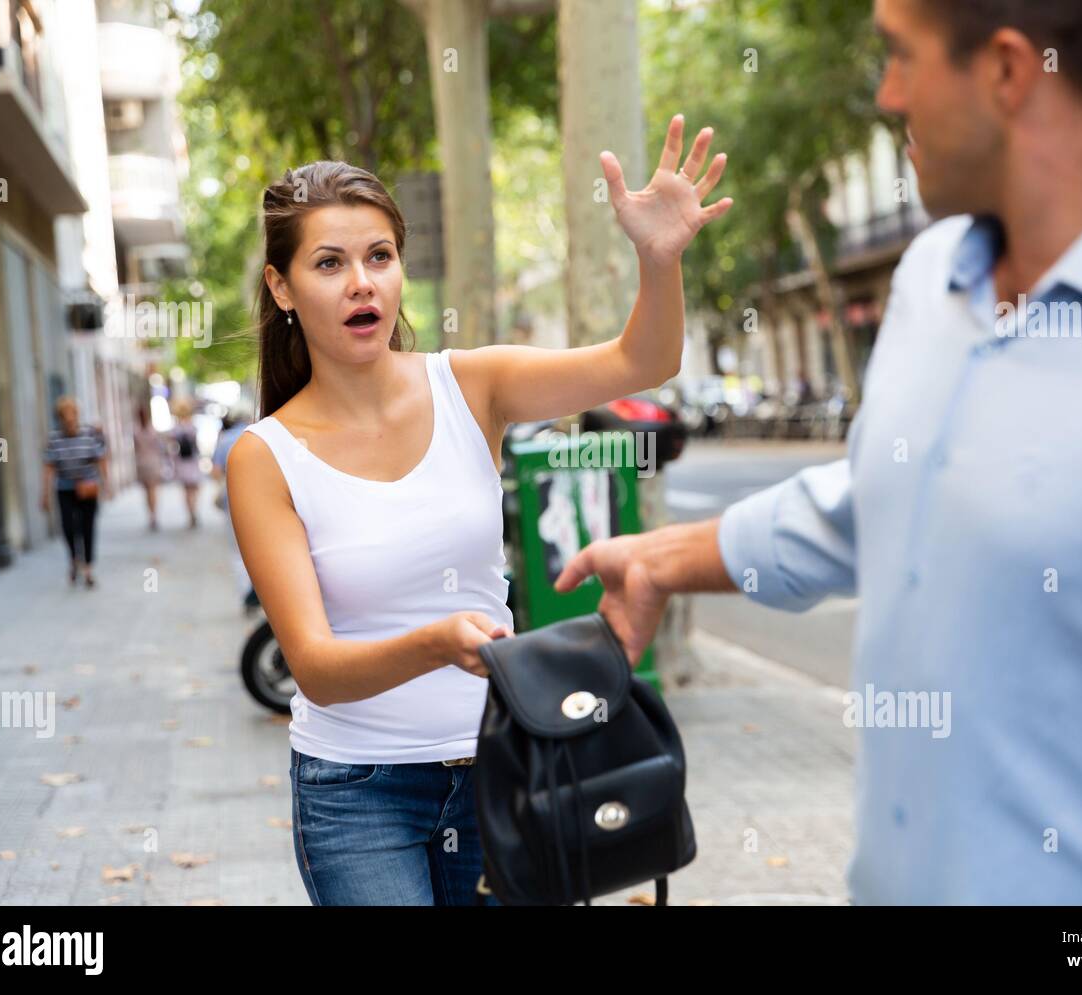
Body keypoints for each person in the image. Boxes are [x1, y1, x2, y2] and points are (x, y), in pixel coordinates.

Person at [556, 0, 1082, 904]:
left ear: (1008, 71)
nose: (886, 94)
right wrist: (663, 557)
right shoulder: (930, 278)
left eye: (898, 55)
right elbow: (888, 498)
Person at [227, 119, 731, 906]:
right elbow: (317, 669)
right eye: (329, 263)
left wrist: (657, 260)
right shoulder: (265, 456)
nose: (362, 282)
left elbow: (645, 361)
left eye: (379, 257)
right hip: (358, 794)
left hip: (504, 766)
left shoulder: (472, 384)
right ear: (282, 287)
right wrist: (436, 641)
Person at [41, 396, 109, 589]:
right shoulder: (54, 438)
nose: (69, 419)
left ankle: (87, 569)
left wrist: (106, 483)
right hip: (65, 489)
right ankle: (73, 559)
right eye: (65, 415)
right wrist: (44, 494)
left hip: (88, 488)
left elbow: (100, 459)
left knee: (87, 527)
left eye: (72, 414)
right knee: (68, 528)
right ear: (60, 418)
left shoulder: (89, 434)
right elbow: (48, 467)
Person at [211, 408, 253, 606]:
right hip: (264, 497)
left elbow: (216, 472)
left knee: (238, 552)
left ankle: (247, 595)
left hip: (232, 500)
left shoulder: (225, 439)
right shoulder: (259, 436)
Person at [132, 405, 166, 531]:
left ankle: (151, 515)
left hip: (142, 463)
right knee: (153, 490)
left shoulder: (136, 431)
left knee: (147, 491)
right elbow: (160, 447)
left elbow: (136, 449)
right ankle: (154, 515)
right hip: (153, 462)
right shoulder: (152, 430)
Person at [170, 397, 202, 528]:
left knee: (186, 490)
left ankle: (191, 512)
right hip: (192, 461)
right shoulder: (192, 426)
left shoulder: (176, 428)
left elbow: (172, 444)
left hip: (182, 462)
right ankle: (193, 510)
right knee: (194, 488)